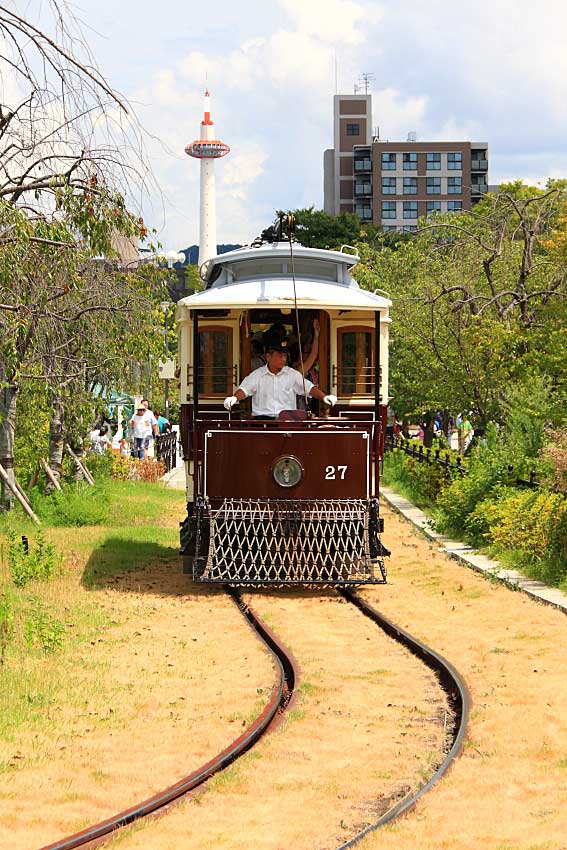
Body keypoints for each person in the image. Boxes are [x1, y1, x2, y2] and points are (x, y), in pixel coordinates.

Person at [223, 332, 337, 420]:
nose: (283, 359)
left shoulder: (292, 374)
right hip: (263, 423)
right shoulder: (257, 375)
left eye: (285, 356)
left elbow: (309, 388)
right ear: (268, 357)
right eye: (279, 355)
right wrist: (234, 398)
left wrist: (324, 397)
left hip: (286, 422)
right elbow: (244, 389)